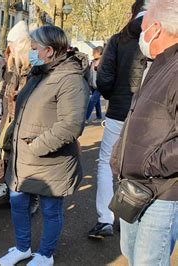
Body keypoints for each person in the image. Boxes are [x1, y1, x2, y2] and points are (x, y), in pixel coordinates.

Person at [0, 25, 88, 266]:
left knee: (50, 210)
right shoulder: (38, 73)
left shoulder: (71, 80)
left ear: (48, 51)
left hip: (50, 161)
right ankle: (22, 247)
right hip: (24, 159)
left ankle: (45, 254)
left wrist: (36, 147)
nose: (31, 51)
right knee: (18, 203)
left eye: (34, 47)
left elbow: (70, 125)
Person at [110, 0, 178, 264]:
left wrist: (151, 163)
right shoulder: (158, 64)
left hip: (160, 192)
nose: (140, 35)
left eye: (143, 28)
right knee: (131, 255)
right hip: (135, 187)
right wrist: (119, 157)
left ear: (157, 29)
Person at [88, 0, 147, 239]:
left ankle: (105, 219)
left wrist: (115, 96)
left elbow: (103, 79)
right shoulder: (166, 38)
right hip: (149, 117)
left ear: (131, 13)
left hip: (118, 112)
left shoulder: (118, 39)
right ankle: (132, 217)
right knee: (140, 167)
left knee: (106, 164)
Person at [0, 21, 39, 214]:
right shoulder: (13, 65)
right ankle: (10, 194)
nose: (8, 49)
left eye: (11, 45)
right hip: (10, 116)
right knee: (8, 155)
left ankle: (31, 199)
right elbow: (5, 89)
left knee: (26, 163)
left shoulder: (33, 66)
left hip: (26, 121)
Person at [85, 46, 104, 121]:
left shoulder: (104, 61)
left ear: (99, 53)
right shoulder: (93, 62)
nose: (92, 54)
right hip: (93, 85)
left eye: (94, 53)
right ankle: (99, 117)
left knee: (92, 101)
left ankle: (85, 118)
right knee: (96, 102)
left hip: (99, 85)